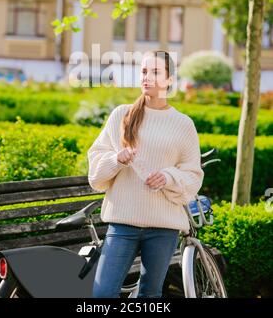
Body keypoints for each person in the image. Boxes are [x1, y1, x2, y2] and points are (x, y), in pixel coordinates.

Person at [87, 49, 204, 298]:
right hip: (123, 223)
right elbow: (95, 175)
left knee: (150, 296)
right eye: (143, 71)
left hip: (163, 227)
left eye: (155, 72)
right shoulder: (122, 115)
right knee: (102, 295)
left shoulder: (183, 124)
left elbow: (193, 175)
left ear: (170, 80)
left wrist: (169, 176)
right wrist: (116, 159)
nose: (147, 77)